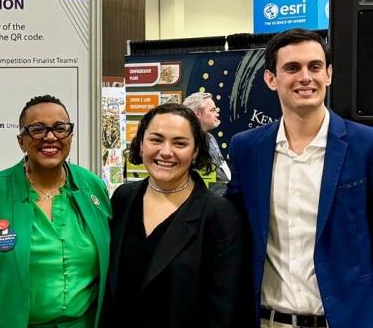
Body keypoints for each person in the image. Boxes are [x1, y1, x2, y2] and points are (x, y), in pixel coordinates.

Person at [227, 28, 373, 328]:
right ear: (271, 79)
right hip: (269, 320)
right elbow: (232, 227)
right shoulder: (247, 149)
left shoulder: (366, 146)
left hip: (346, 320)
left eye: (315, 67)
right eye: (292, 68)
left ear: (328, 75)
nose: (305, 77)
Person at [0, 94, 111, 327]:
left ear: (70, 136)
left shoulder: (92, 187)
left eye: (60, 128)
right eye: (37, 129)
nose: (50, 137)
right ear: (21, 141)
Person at [101, 103, 244, 328]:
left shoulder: (219, 215)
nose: (166, 152)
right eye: (156, 140)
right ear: (140, 145)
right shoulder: (123, 199)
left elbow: (224, 311)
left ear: (195, 151)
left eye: (180, 143)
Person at [183, 92, 231, 194]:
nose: (217, 114)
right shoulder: (186, 142)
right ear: (198, 113)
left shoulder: (210, 137)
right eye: (212, 110)